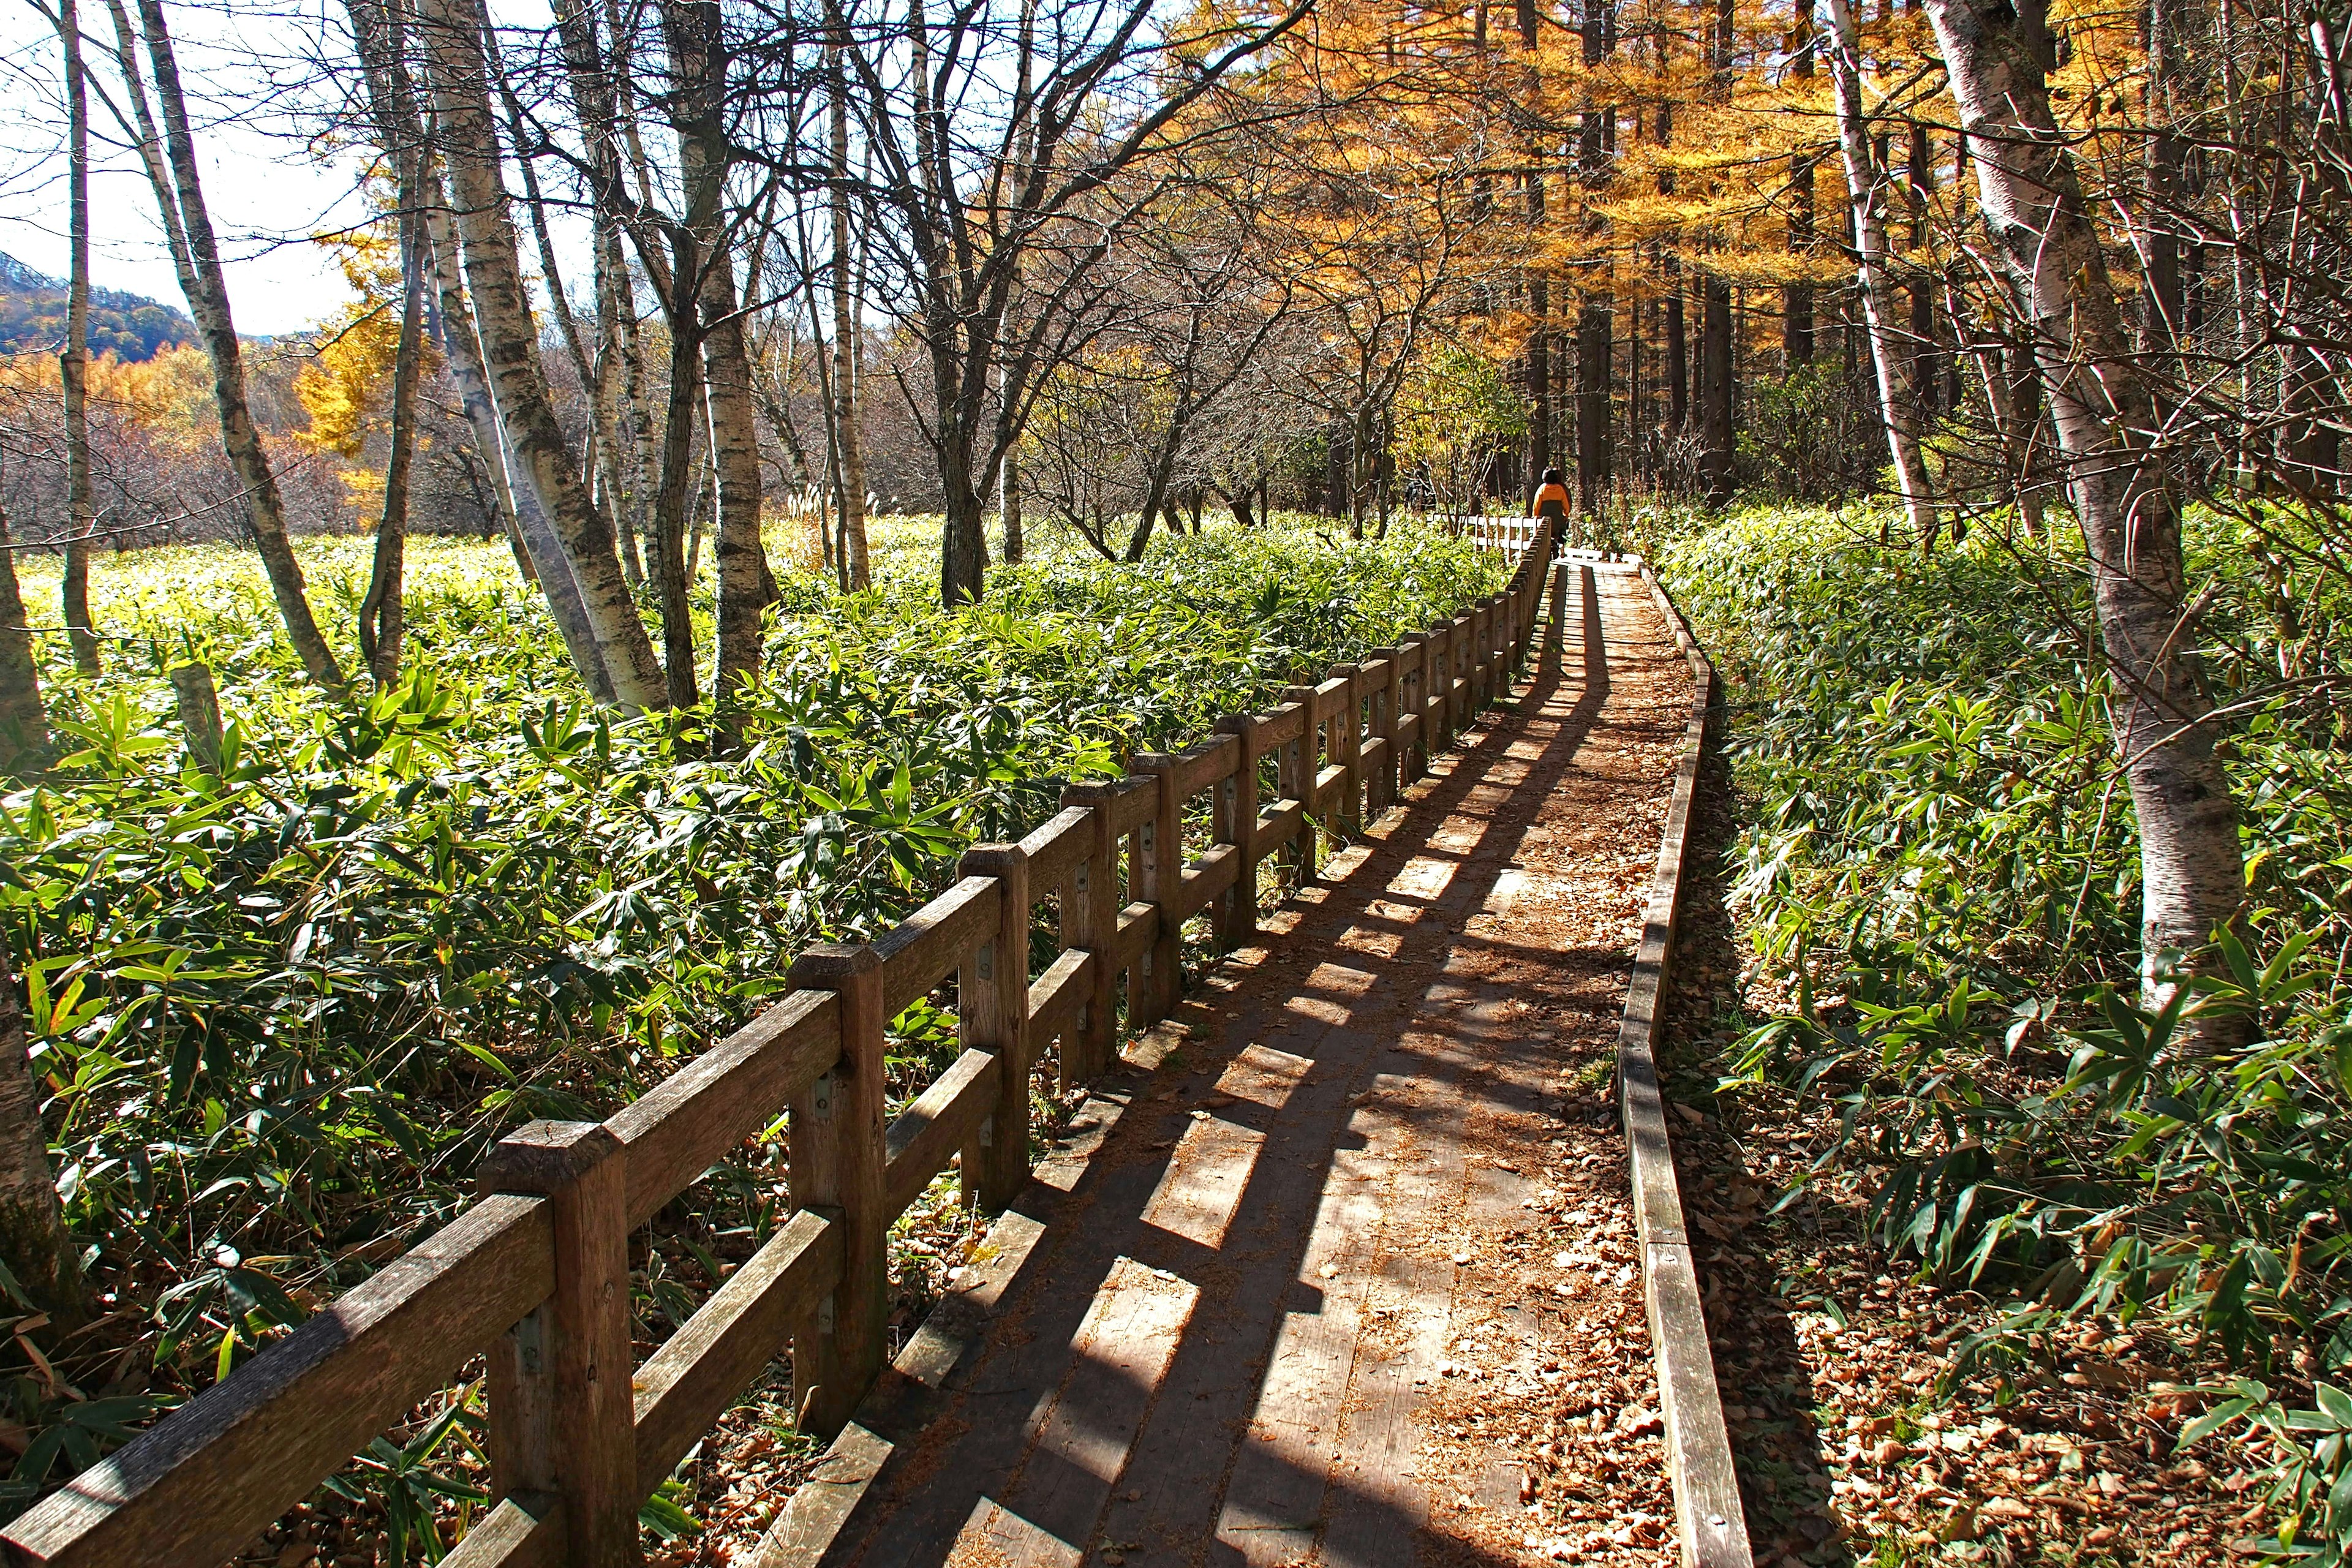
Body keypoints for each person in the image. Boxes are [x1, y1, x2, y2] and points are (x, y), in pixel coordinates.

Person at [1531, 467, 1570, 548]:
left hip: (1544, 520)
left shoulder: (1542, 489)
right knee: (1559, 531)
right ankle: (1560, 544)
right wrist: (1566, 514)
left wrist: (1535, 516)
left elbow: (1537, 504)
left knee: (1543, 535)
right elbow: (1565, 504)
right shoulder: (1560, 489)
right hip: (1557, 520)